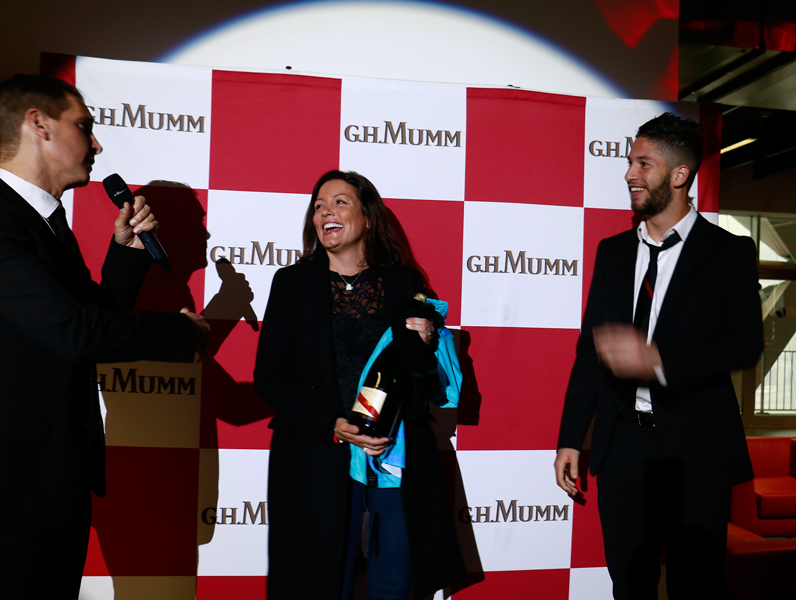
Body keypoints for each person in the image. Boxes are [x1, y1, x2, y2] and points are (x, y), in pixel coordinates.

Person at [0, 74, 209, 599]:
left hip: (54, 482)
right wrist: (179, 332)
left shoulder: (45, 221)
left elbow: (86, 319)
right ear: (38, 124)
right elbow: (73, 331)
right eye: (84, 127)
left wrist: (127, 254)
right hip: (15, 490)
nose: (96, 144)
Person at [554, 113, 763, 599]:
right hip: (621, 448)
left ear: (679, 174)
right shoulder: (612, 252)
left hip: (696, 452)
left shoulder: (728, 252)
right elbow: (590, 351)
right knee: (630, 585)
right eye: (630, 162)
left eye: (643, 164)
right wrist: (570, 438)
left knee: (696, 585)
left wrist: (658, 360)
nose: (629, 174)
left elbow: (744, 342)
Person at [254, 170, 466, 600]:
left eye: (339, 202)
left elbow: (424, 379)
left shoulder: (404, 281)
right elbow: (270, 377)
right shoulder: (292, 283)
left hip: (393, 453)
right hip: (318, 455)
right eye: (318, 206)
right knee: (319, 585)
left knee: (394, 584)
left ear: (368, 217)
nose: (325, 213)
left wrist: (427, 340)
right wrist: (333, 424)